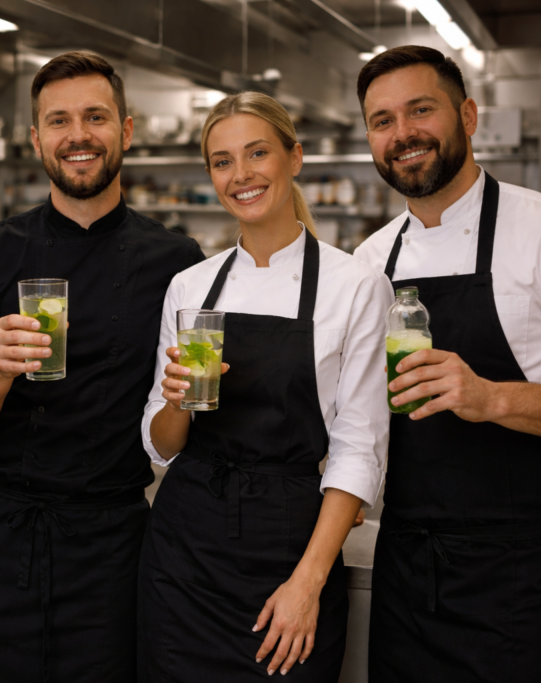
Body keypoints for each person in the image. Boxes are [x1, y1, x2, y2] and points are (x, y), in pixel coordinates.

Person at [0, 52, 205, 683]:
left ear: (126, 131)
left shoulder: (178, 261)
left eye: (95, 117)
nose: (78, 135)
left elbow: (186, 411)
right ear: (36, 139)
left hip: (112, 545)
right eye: (59, 121)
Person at [137, 91, 391, 681]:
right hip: (184, 551)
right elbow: (161, 445)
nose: (241, 175)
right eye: (223, 161)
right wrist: (174, 399)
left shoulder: (354, 286)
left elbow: (359, 449)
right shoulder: (191, 286)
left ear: (294, 158)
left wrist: (307, 584)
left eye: (257, 154)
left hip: (290, 549)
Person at [352, 45, 541, 682]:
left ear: (467, 115)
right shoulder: (370, 262)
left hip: (524, 577)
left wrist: (491, 398)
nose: (403, 134)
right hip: (408, 571)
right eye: (382, 120)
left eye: (421, 110)